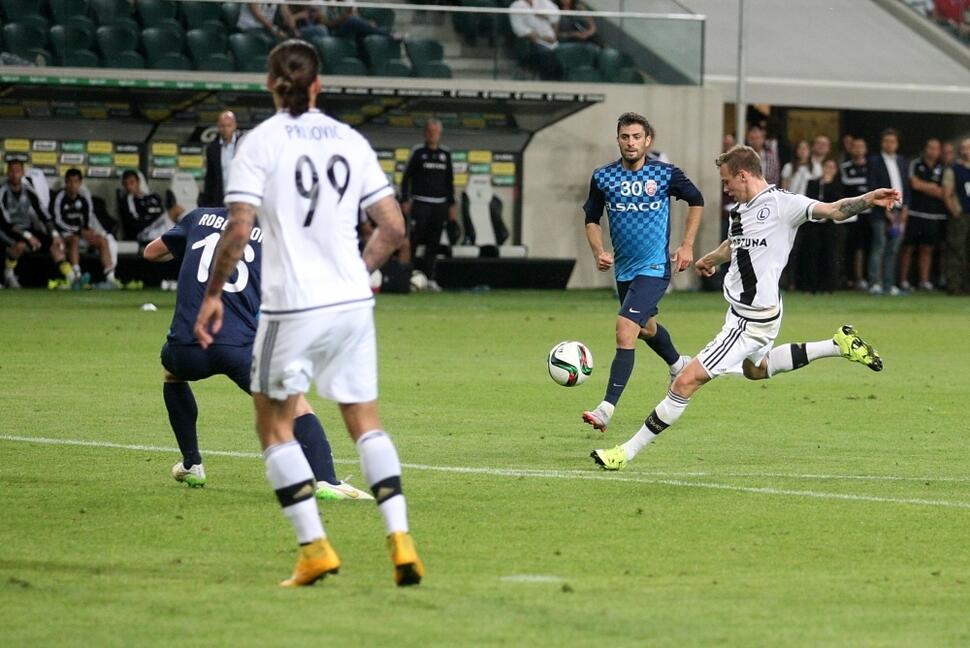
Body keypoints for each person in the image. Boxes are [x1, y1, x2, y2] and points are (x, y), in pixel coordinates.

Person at [194, 40, 423, 587]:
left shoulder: (258, 144)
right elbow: (393, 227)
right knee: (365, 423)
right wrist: (362, 273)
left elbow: (239, 228)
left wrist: (210, 296)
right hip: (350, 301)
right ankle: (401, 540)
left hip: (292, 305)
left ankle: (315, 548)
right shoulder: (350, 139)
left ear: (271, 85)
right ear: (318, 85)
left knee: (273, 425)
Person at [591, 145, 896, 471]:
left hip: (747, 322)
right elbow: (736, 242)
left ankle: (624, 453)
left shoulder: (783, 204)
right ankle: (837, 345)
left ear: (743, 175)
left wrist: (866, 201)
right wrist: (712, 257)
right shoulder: (741, 210)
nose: (725, 189)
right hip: (762, 312)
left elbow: (834, 210)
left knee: (684, 382)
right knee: (757, 369)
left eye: (726, 182)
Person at [143, 207, 370, 499]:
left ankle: (191, 463)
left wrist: (189, 249)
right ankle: (327, 480)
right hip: (240, 347)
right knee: (296, 404)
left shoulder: (197, 218)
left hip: (187, 347)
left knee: (172, 373)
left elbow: (151, 253)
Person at [580, 112, 703, 433]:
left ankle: (606, 408)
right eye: (625, 137)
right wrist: (598, 252)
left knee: (625, 329)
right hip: (624, 271)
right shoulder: (603, 177)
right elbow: (591, 218)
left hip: (655, 267)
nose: (631, 143)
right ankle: (678, 365)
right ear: (618, 139)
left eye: (637, 137)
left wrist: (687, 245)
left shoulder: (665, 174)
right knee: (646, 328)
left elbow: (696, 200)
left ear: (648, 140)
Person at [399, 118, 455, 291]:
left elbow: (449, 182)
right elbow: (406, 178)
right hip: (420, 203)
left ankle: (430, 278)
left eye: (435, 132)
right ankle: (408, 276)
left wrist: (451, 205)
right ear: (425, 133)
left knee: (434, 243)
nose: (432, 134)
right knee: (414, 241)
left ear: (440, 134)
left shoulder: (445, 155)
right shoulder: (418, 152)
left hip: (439, 205)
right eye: (430, 131)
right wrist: (405, 199)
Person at [1, 159, 70, 288]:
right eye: (11, 171)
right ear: (7, 173)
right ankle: (8, 274)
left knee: (55, 245)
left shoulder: (28, 190)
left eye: (17, 171)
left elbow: (43, 213)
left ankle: (70, 278)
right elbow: (5, 222)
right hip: (7, 230)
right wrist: (28, 236)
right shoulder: (2, 192)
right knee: (20, 245)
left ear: (22, 173)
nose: (14, 174)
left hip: (26, 229)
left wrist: (55, 234)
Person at [50, 168, 120, 289]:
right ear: (66, 183)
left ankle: (110, 278)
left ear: (80, 183)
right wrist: (78, 231)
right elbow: (58, 221)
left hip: (81, 232)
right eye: (70, 182)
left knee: (102, 240)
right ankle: (77, 275)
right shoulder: (59, 197)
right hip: (65, 234)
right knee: (74, 240)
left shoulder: (84, 197)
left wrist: (87, 230)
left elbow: (88, 216)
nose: (73, 185)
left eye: (76, 182)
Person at [898, 138, 946, 291]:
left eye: (936, 148)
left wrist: (925, 187)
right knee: (908, 247)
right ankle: (903, 280)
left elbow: (943, 191)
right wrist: (931, 186)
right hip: (915, 212)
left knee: (927, 248)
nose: (933, 151)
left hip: (934, 215)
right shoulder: (916, 164)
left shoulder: (943, 167)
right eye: (930, 148)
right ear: (925, 149)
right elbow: (914, 183)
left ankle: (924, 281)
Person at [866, 128, 910, 296]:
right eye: (886, 141)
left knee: (893, 248)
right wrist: (884, 207)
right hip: (880, 211)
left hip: (899, 210)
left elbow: (905, 186)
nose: (889, 144)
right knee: (879, 245)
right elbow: (872, 186)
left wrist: (906, 207)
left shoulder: (901, 161)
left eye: (892, 141)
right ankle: (874, 283)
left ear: (897, 144)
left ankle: (889, 284)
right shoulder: (874, 161)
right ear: (882, 143)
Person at [801, 158, 844, 293]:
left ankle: (827, 286)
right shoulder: (813, 183)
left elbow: (838, 201)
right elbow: (808, 199)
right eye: (827, 166)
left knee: (829, 254)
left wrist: (829, 183)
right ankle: (810, 286)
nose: (829, 170)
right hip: (814, 224)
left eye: (832, 167)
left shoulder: (837, 185)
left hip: (829, 224)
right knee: (812, 254)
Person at [118, 170, 185, 243]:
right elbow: (133, 223)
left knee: (181, 211)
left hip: (158, 225)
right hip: (145, 231)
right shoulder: (128, 200)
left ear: (138, 182)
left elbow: (161, 213)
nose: (129, 186)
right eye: (126, 184)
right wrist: (152, 220)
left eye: (131, 183)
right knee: (176, 210)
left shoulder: (154, 197)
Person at [839, 137, 871, 291]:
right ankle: (851, 278)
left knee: (867, 246)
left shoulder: (872, 167)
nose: (858, 149)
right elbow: (848, 187)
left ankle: (865, 278)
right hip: (852, 213)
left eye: (861, 146)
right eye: (855, 146)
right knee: (852, 246)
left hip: (869, 213)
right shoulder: (845, 167)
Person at [942, 136, 970, 295]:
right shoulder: (953, 169)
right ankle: (955, 285)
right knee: (956, 250)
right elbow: (948, 193)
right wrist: (955, 211)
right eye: (965, 148)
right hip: (961, 216)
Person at [509, 0, 562, 80]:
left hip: (552, 39)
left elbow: (555, 17)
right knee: (547, 55)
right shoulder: (516, 6)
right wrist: (542, 38)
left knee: (564, 52)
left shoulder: (544, 2)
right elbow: (518, 29)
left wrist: (544, 16)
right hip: (532, 41)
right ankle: (548, 81)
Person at [202, 111, 239, 208]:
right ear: (218, 126)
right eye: (223, 126)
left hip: (239, 199)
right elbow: (210, 178)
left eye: (229, 126)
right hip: (219, 200)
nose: (226, 129)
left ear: (234, 126)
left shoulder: (243, 145)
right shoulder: (212, 149)